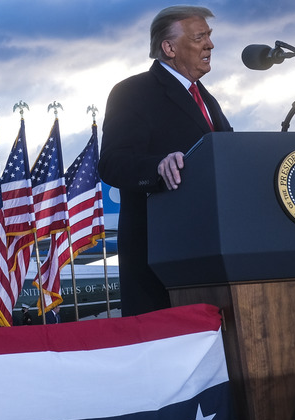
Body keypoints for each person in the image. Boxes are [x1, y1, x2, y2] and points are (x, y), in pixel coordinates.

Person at [98, 5, 232, 316]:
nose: (210, 45)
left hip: (209, 250)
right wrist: (158, 166)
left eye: (209, 36)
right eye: (199, 37)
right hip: (159, 258)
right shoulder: (134, 91)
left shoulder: (205, 98)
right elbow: (112, 163)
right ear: (168, 48)